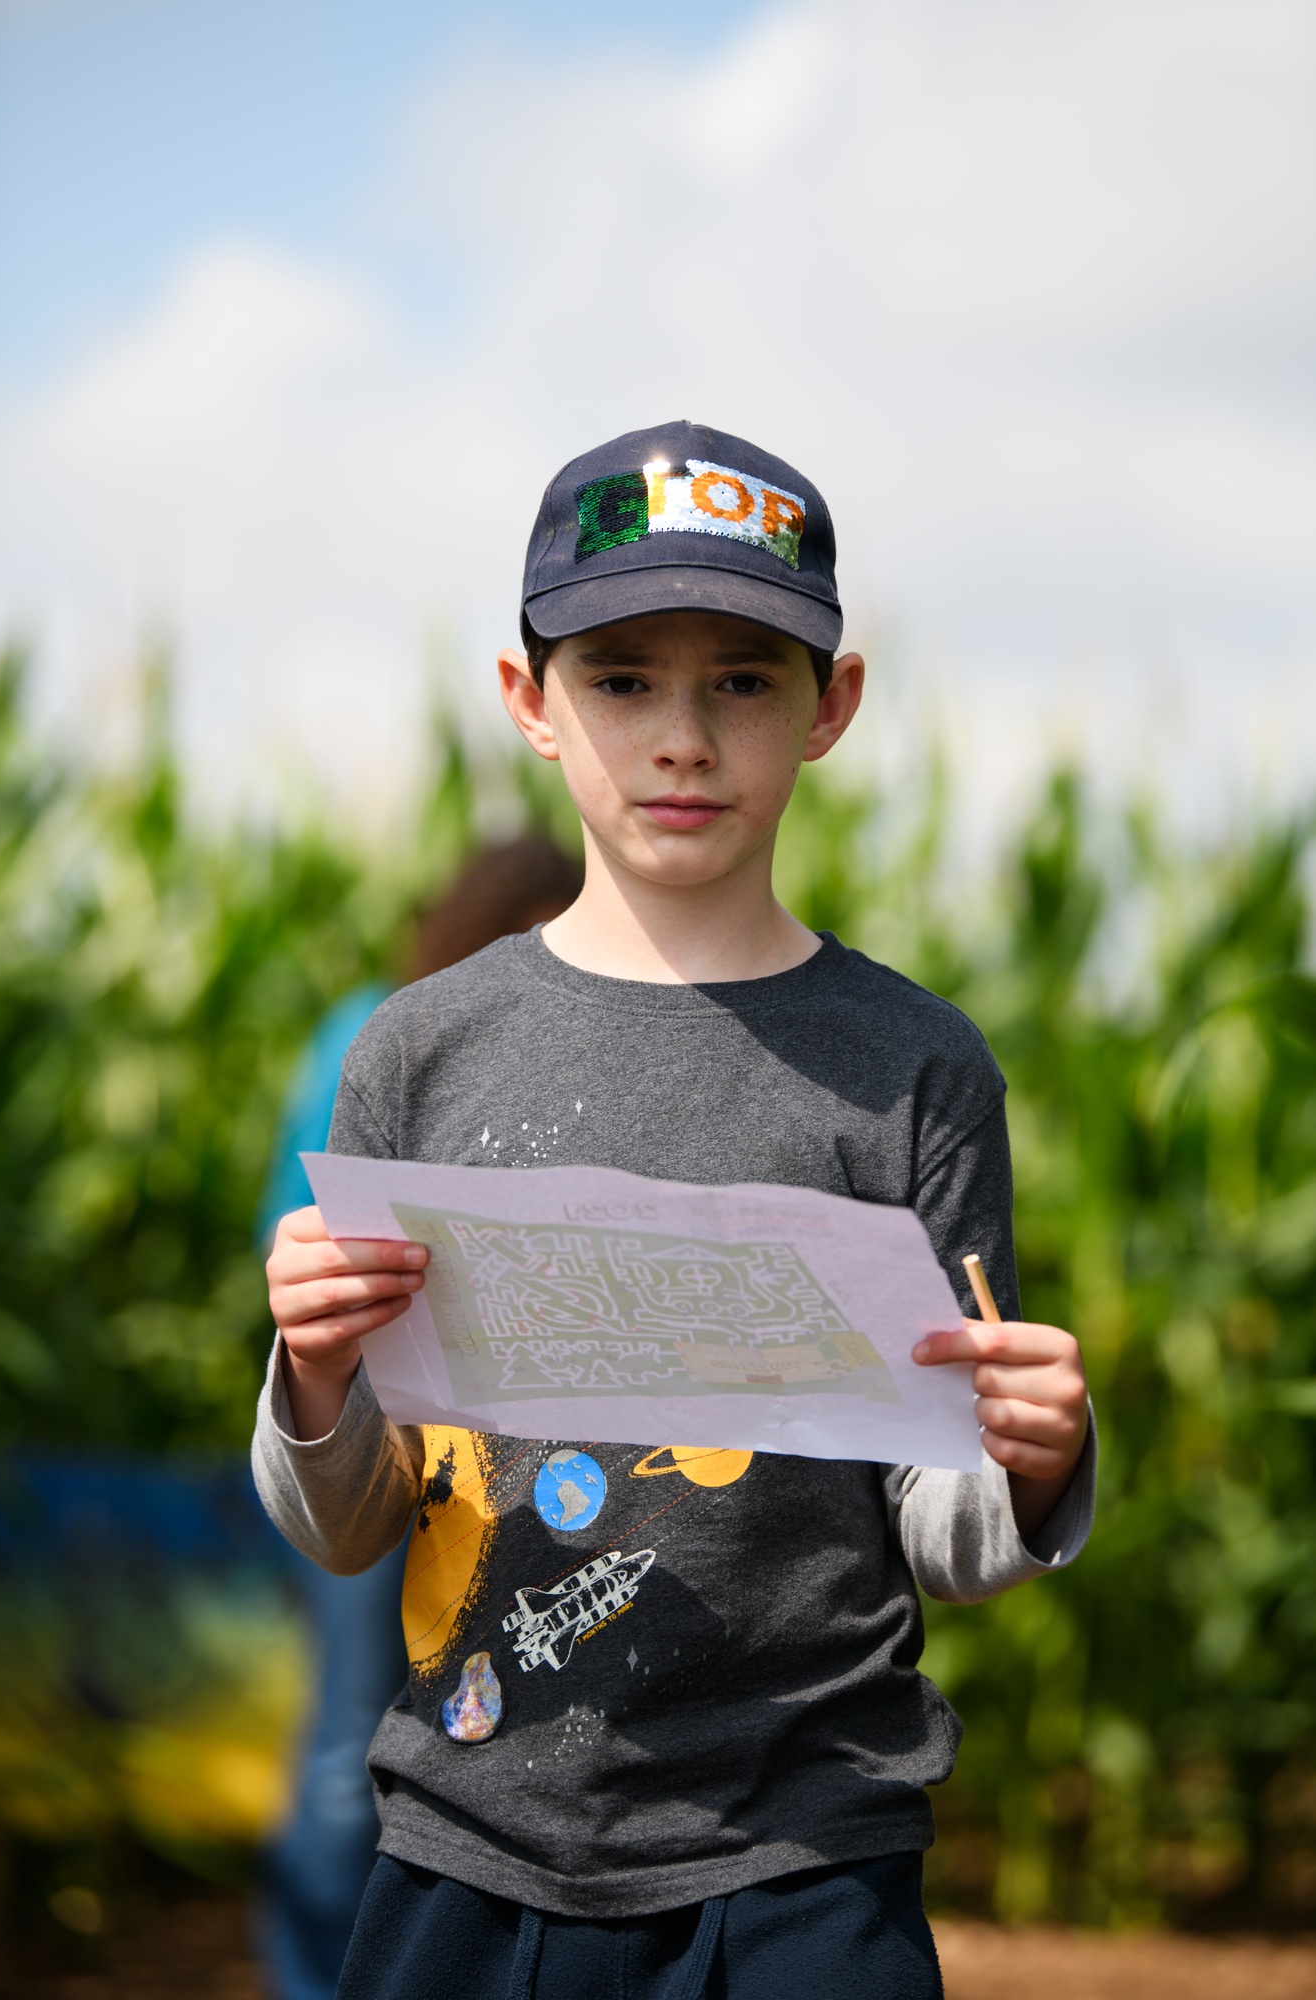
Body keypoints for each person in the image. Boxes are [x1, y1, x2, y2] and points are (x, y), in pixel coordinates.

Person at [253, 422, 1095, 1999]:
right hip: (466, 1846)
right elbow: (354, 1520)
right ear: (529, 702)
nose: (683, 739)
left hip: (808, 1866)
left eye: (743, 681)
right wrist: (309, 1376)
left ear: (829, 705)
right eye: (623, 679)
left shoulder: (914, 1070)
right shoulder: (417, 1055)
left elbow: (940, 1521)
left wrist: (1031, 1463)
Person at [255, 838, 583, 2000]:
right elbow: (296, 1241)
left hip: (508, 1459)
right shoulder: (381, 1037)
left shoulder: (568, 1049)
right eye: (523, 934)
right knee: (351, 1740)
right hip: (374, 1435)